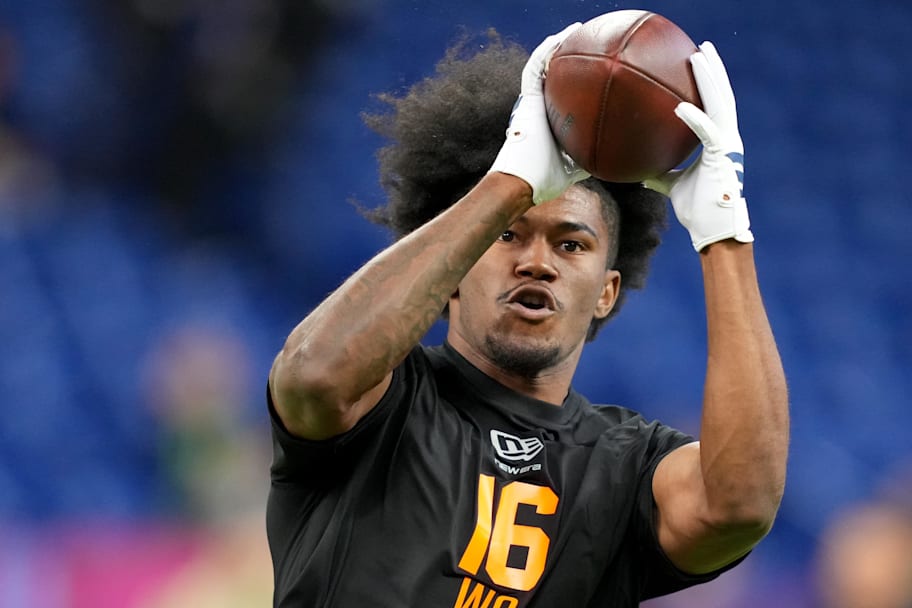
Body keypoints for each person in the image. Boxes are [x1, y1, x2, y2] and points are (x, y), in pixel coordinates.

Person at [266, 22, 788, 607]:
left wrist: (724, 234)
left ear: (607, 293)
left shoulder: (624, 466)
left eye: (571, 245)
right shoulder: (382, 402)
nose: (537, 262)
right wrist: (508, 183)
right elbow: (312, 374)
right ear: (454, 268)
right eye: (510, 235)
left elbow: (739, 507)